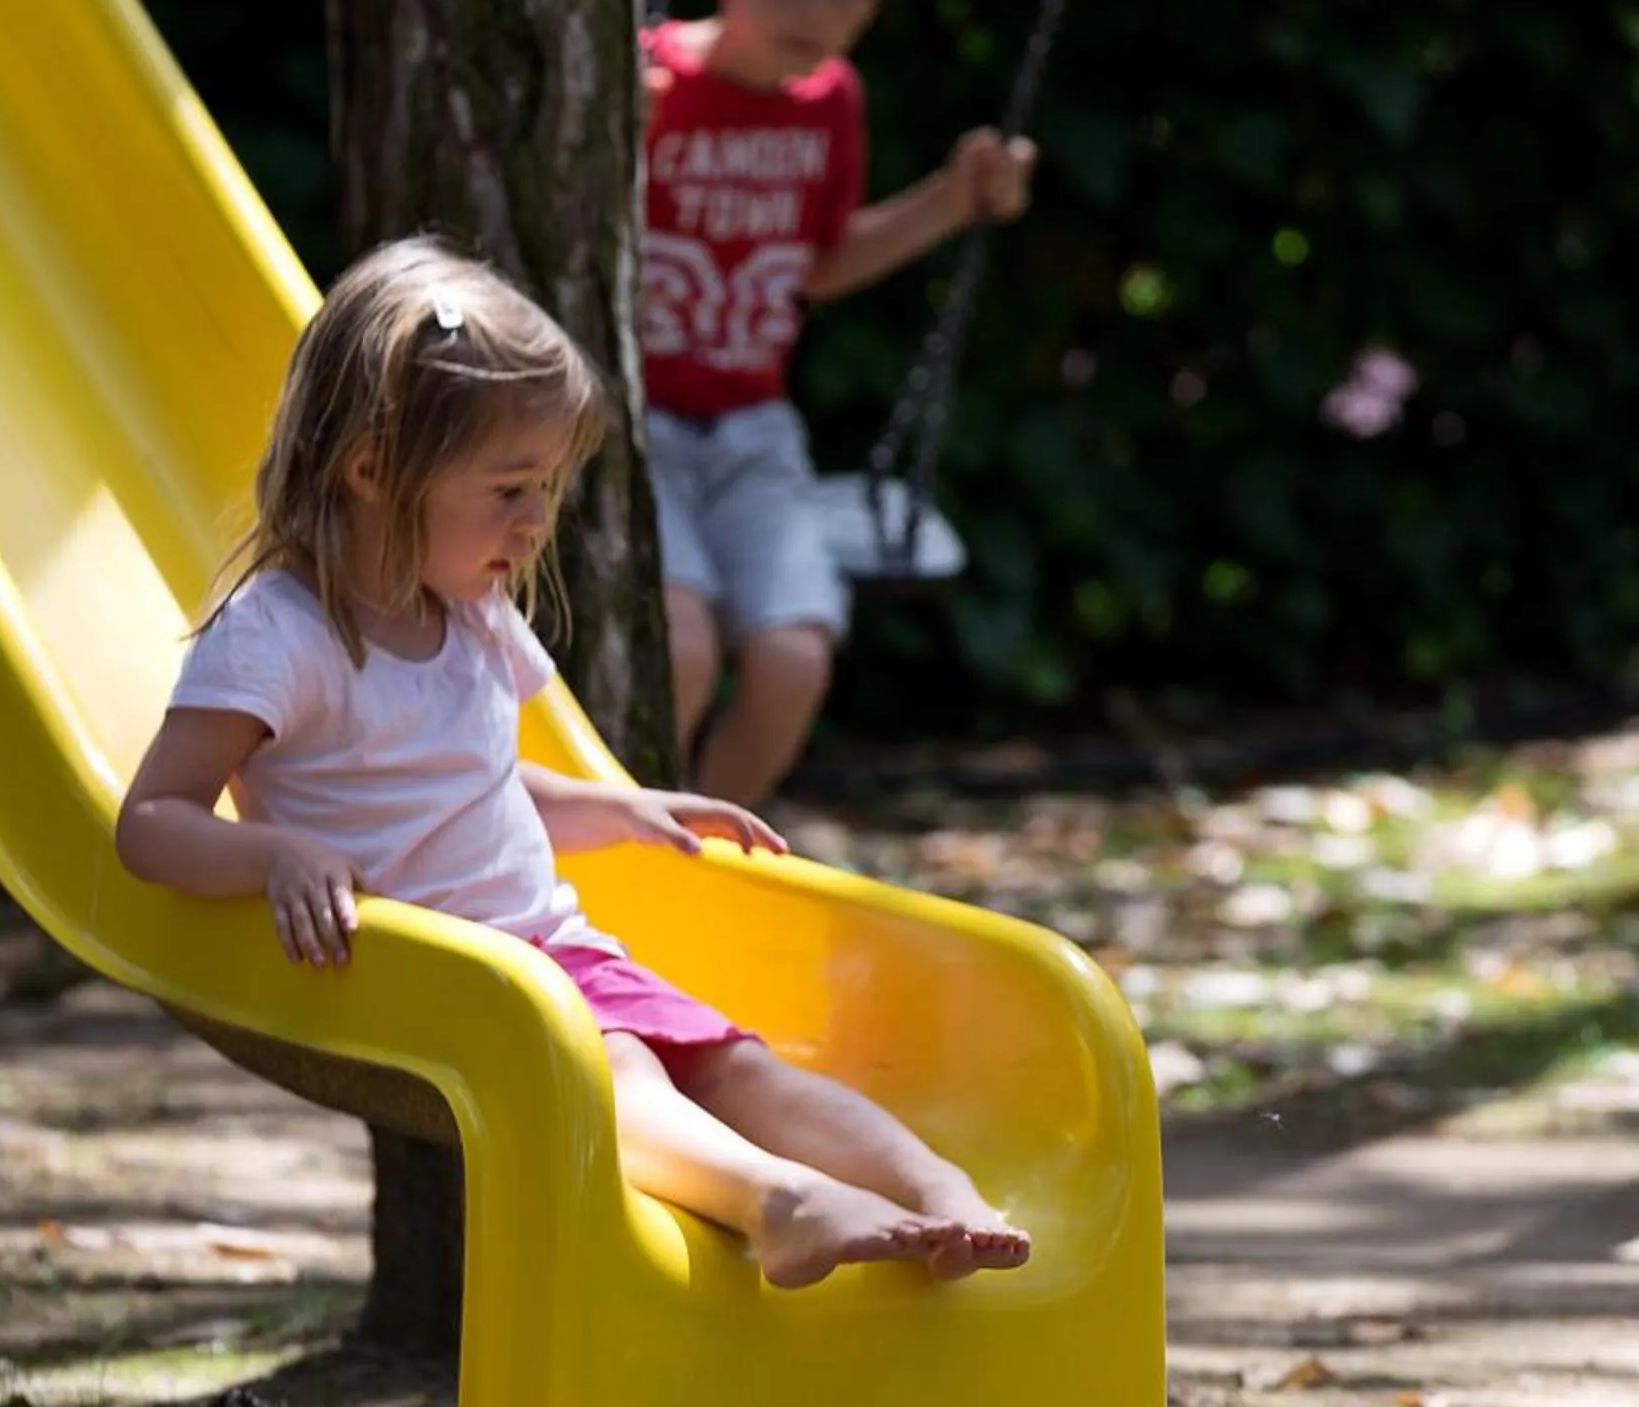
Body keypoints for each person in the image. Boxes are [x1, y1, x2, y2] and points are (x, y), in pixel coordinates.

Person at [116, 237, 1029, 1292]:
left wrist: (623, 808)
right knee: (621, 1064)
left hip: (544, 948)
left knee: (733, 1061)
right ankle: (777, 1203)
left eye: (544, 487)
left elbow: (478, 784)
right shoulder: (279, 635)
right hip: (419, 970)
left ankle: (938, 1189)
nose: (535, 521)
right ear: (370, 467)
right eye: (508, 488)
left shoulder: (467, 612)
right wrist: (273, 856)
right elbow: (152, 822)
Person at [642, 0, 1036, 810]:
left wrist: (950, 199)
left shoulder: (829, 103)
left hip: (749, 429)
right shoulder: (648, 79)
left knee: (791, 660)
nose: (816, 9)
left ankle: (707, 858)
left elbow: (818, 268)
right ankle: (623, 853)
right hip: (627, 423)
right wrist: (617, 133)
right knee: (679, 650)